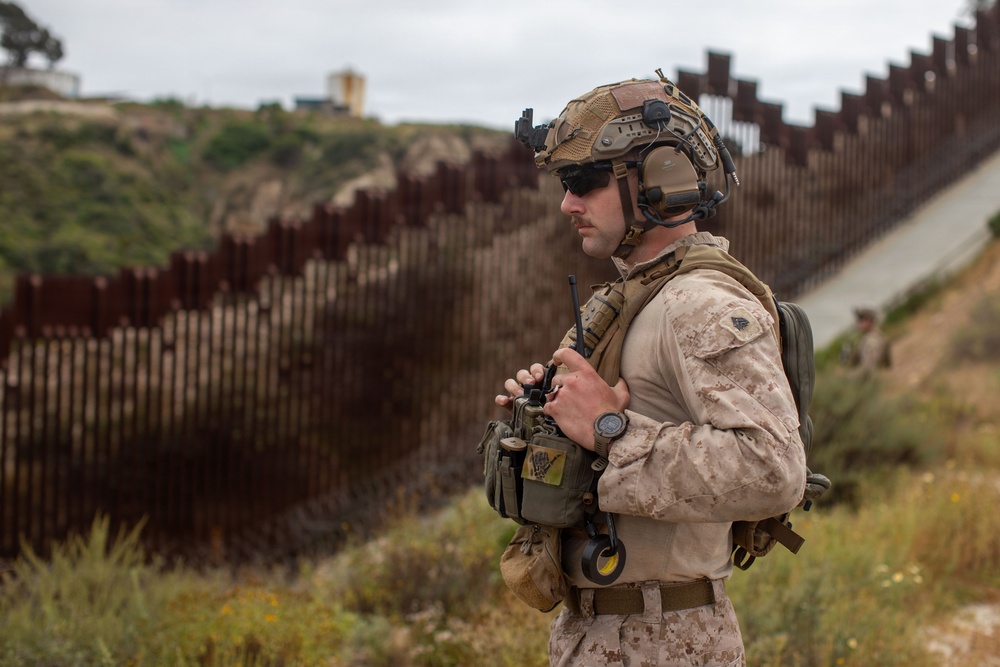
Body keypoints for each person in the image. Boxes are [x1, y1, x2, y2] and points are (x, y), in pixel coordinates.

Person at [494, 72, 808, 666]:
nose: (568, 203)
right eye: (565, 183)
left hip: (664, 638)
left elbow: (774, 469)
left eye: (583, 180)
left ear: (659, 179)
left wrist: (611, 431)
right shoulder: (643, 299)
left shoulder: (702, 305)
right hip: (612, 631)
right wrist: (548, 418)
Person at [841, 307, 891, 377]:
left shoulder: (871, 341)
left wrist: (845, 376)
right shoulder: (879, 335)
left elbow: (868, 370)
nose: (858, 323)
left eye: (861, 319)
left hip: (872, 382)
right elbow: (887, 365)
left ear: (869, 320)